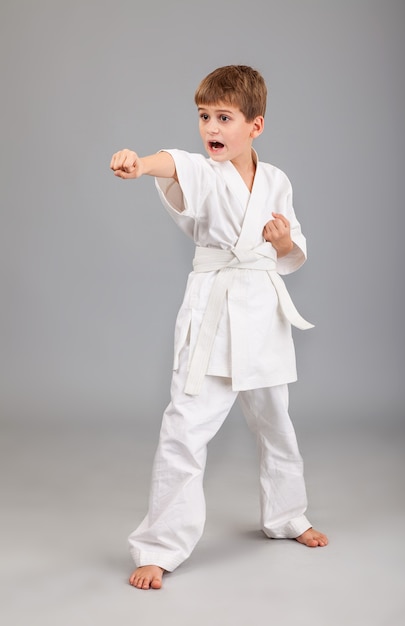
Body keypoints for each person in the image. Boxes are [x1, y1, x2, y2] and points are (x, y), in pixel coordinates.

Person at [110, 65, 328, 590]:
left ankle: (287, 516)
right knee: (184, 430)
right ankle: (161, 546)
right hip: (214, 313)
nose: (211, 126)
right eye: (204, 116)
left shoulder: (277, 180)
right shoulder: (204, 171)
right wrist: (139, 164)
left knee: (276, 424)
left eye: (224, 117)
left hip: (262, 316)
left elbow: (293, 247)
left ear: (255, 126)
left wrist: (278, 241)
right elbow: (174, 162)